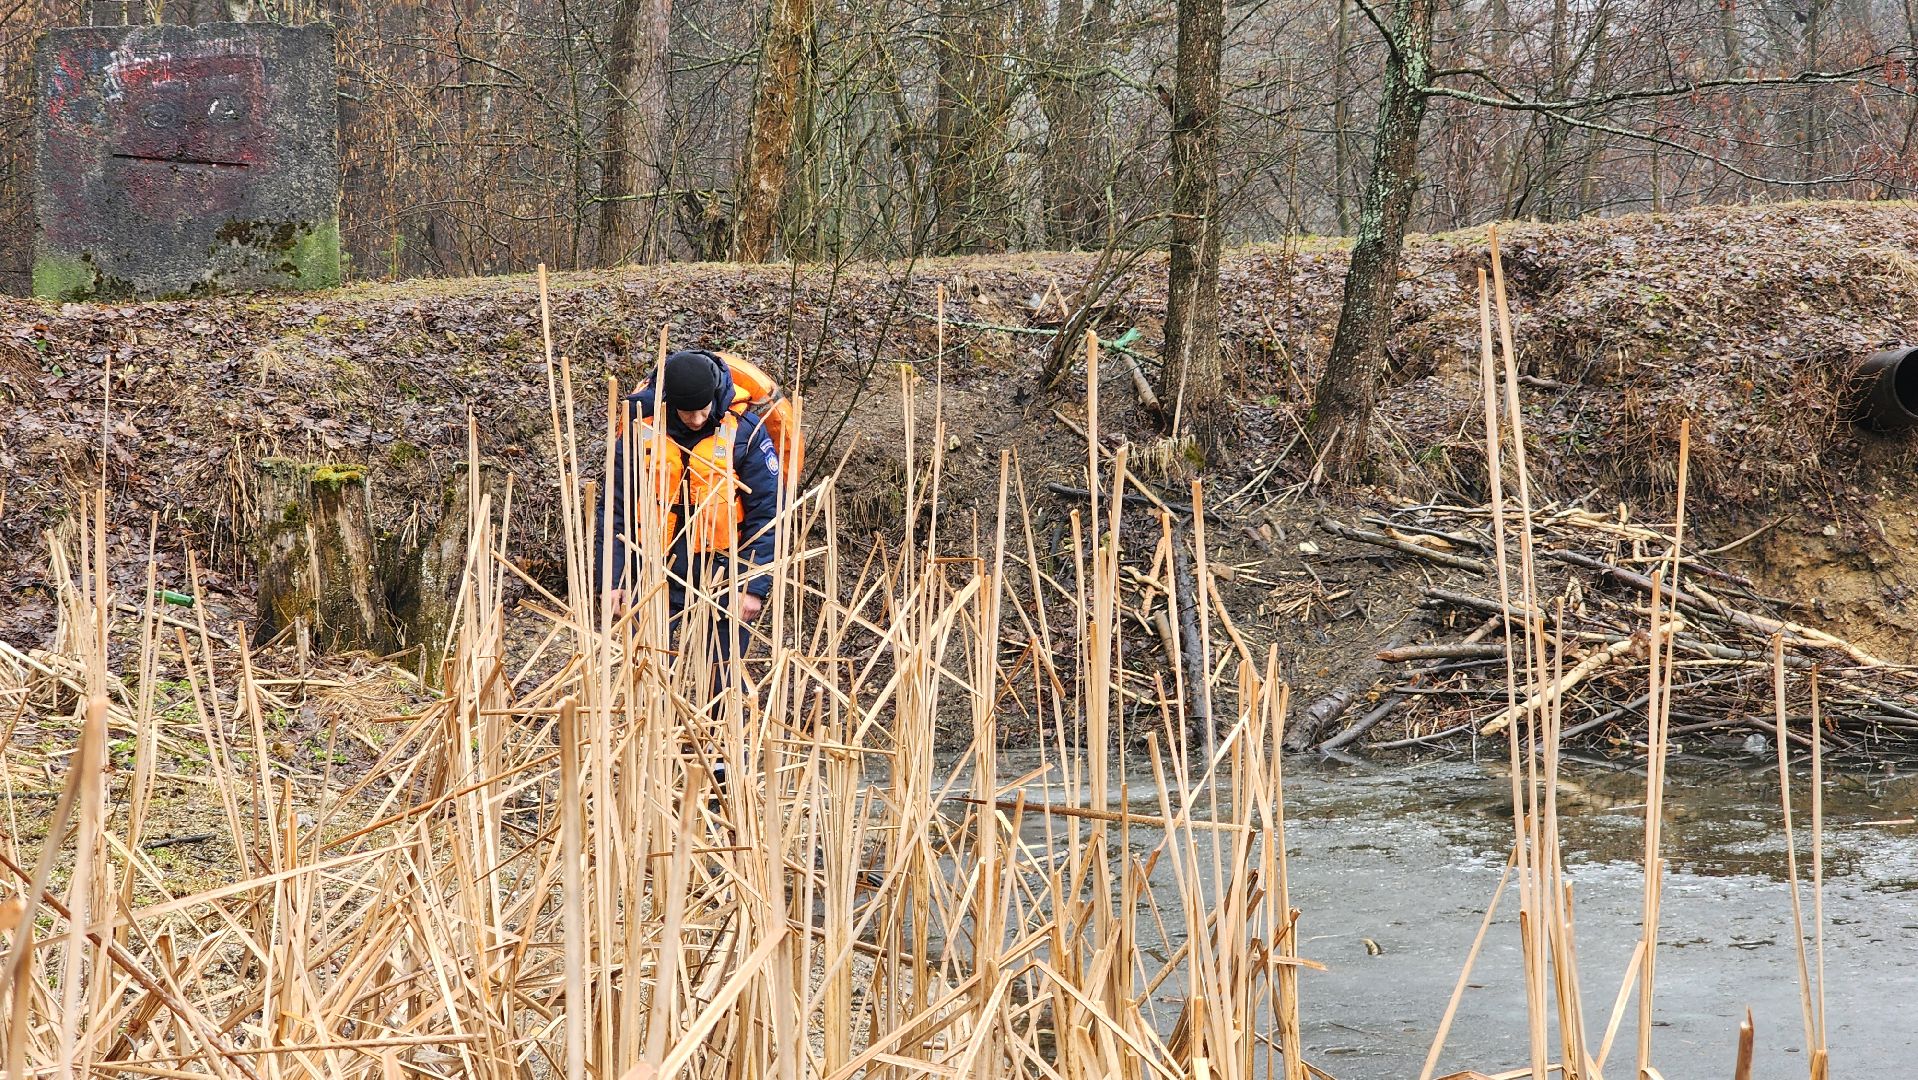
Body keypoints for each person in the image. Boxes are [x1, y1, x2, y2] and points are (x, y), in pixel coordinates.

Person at [596, 349, 788, 677]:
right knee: (646, 675)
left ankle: (719, 729)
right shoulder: (638, 428)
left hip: (724, 569)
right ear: (669, 403)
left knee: (722, 680)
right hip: (652, 567)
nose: (697, 420)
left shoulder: (746, 432)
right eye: (687, 414)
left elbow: (767, 513)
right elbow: (615, 509)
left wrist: (753, 585)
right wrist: (613, 579)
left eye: (703, 411)